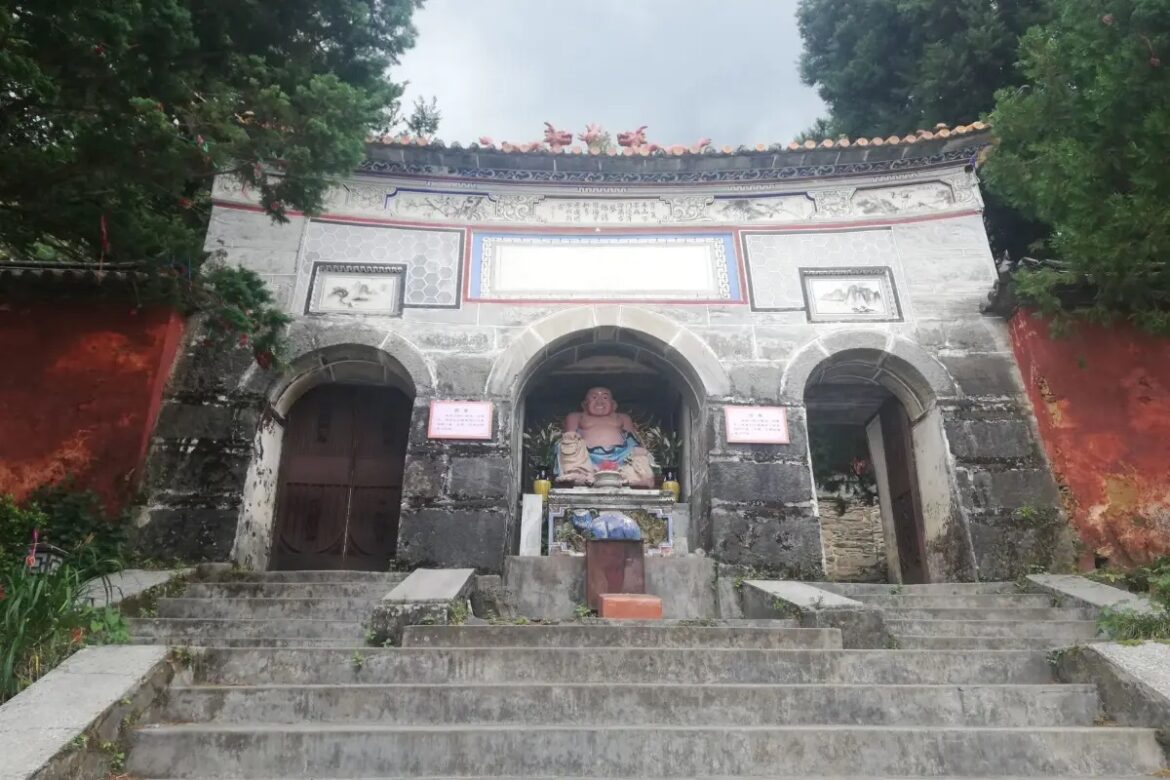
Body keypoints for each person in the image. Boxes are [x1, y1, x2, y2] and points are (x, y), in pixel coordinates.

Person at [556, 387, 655, 488]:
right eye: (594, 397)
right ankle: (579, 473)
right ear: (584, 404)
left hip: (622, 456)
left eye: (605, 398)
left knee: (639, 454)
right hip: (586, 458)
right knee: (568, 445)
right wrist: (571, 439)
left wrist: (637, 450)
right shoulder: (576, 417)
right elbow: (569, 436)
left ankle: (632, 478)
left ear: (613, 405)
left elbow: (632, 439)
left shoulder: (622, 418)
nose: (599, 401)